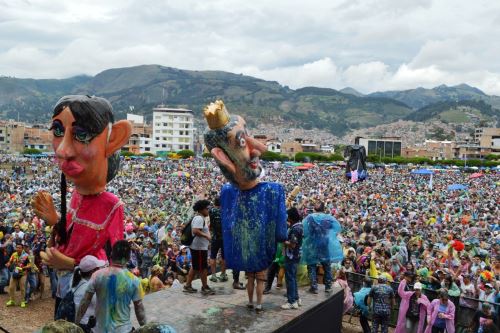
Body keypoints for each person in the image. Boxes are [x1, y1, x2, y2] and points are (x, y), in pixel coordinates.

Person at [31, 95, 132, 316]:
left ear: (113, 140)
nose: (62, 150)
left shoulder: (112, 205)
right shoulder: (76, 195)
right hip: (64, 286)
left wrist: (73, 263)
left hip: (89, 296)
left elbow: (118, 264)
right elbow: (72, 236)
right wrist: (55, 220)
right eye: (58, 131)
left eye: (81, 135)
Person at [203, 100, 288, 312]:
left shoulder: (228, 193)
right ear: (223, 159)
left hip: (246, 252)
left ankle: (252, 301)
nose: (259, 148)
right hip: (258, 251)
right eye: (243, 142)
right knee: (258, 277)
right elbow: (280, 231)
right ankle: (256, 303)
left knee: (251, 277)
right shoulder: (272, 190)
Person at [76, 240, 146, 333]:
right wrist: (144, 327)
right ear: (128, 258)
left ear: (111, 255)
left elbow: (85, 301)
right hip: (123, 330)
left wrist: (76, 323)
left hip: (100, 329)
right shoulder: (134, 280)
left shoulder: (97, 275)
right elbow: (139, 308)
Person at [301, 201, 343, 294]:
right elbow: (337, 228)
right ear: (324, 209)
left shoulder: (309, 217)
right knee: (326, 265)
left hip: (312, 245)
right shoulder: (329, 218)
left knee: (311, 265)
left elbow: (304, 230)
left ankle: (314, 287)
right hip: (324, 244)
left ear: (314, 209)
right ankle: (328, 286)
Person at [183, 200, 215, 295]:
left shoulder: (199, 217)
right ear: (202, 209)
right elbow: (195, 231)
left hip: (198, 247)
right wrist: (207, 236)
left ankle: (187, 285)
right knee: (203, 268)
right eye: (207, 208)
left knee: (196, 267)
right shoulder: (199, 219)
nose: (208, 210)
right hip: (199, 248)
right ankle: (205, 287)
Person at [72, 255, 105, 332]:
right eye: (99, 268)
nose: (101, 270)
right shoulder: (90, 288)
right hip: (88, 326)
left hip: (79, 323)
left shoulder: (76, 282)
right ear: (93, 271)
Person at [281, 207, 303, 310]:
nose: (287, 219)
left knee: (290, 279)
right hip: (296, 256)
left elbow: (292, 244)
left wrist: (282, 241)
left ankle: (291, 301)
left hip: (291, 256)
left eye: (288, 217)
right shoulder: (299, 225)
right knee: (293, 278)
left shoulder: (295, 229)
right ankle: (296, 298)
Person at [5, 242, 30, 308]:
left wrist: (24, 267)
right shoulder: (14, 254)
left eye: (19, 248)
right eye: (17, 247)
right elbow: (10, 261)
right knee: (11, 287)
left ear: (22, 249)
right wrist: (8, 264)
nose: (18, 249)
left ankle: (22, 301)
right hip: (15, 272)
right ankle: (12, 300)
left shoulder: (26, 255)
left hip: (23, 273)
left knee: (22, 288)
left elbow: (30, 264)